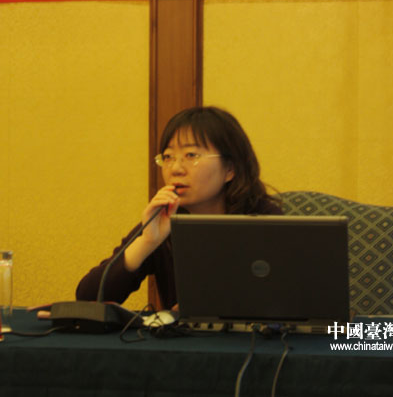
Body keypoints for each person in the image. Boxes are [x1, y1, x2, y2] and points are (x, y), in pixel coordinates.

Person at [76, 106, 282, 309]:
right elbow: (88, 298)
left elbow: (284, 298)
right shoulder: (165, 220)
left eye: (191, 155)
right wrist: (147, 242)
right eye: (168, 157)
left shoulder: (265, 220)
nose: (175, 169)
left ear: (230, 168)